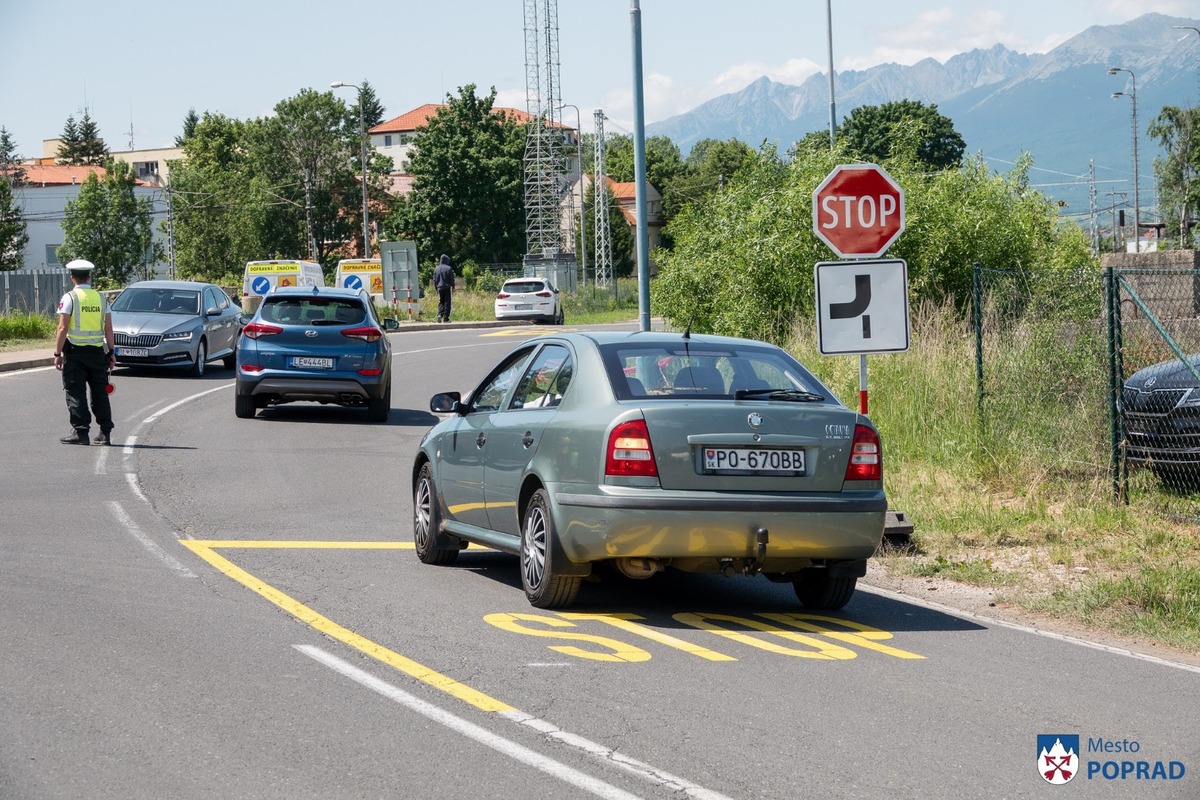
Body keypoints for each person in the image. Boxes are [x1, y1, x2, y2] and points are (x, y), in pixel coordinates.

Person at [54, 259, 116, 445]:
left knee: (75, 392)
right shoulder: (101, 298)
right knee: (100, 393)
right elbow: (109, 329)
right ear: (89, 277)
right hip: (97, 353)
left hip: (75, 354)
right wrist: (111, 352)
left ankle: (81, 433)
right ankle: (105, 433)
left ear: (72, 277)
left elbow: (62, 328)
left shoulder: (69, 298)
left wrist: (57, 354)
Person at [433, 254, 455, 323]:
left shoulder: (436, 268)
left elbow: (434, 279)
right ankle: (446, 318)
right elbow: (451, 279)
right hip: (447, 287)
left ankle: (439, 314)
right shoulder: (448, 268)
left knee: (441, 302)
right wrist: (453, 286)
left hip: (439, 287)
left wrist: (436, 288)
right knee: (447, 302)